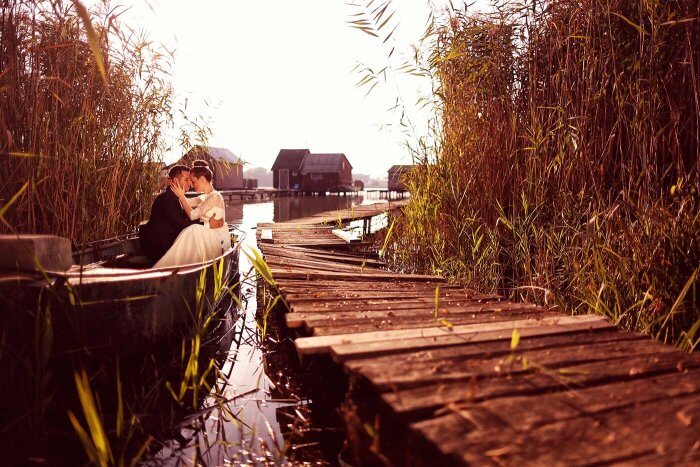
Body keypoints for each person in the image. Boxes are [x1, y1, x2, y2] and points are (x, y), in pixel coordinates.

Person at [139, 165, 224, 263]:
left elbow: (186, 220)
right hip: (158, 245)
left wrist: (205, 221)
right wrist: (208, 225)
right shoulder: (166, 199)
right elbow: (182, 223)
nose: (190, 184)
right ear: (175, 181)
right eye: (187, 180)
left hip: (170, 238)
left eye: (191, 181)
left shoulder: (176, 197)